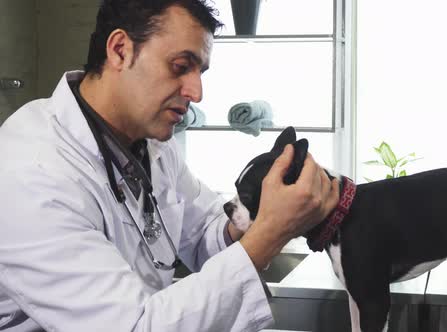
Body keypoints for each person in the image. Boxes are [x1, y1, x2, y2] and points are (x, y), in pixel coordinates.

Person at [0, 0, 339, 331]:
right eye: (180, 67)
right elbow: (132, 326)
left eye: (200, 71)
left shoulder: (152, 144)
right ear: (120, 50)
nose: (197, 92)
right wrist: (269, 234)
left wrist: (262, 208)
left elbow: (206, 233)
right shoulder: (31, 174)